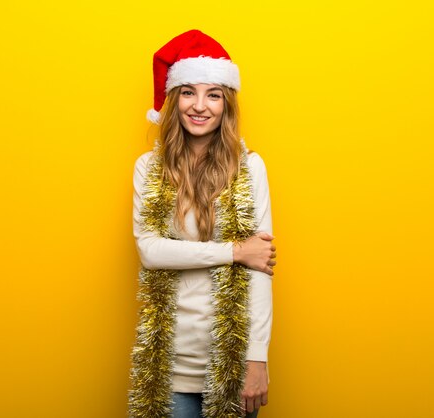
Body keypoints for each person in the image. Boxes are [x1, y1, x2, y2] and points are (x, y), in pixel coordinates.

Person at [128, 30, 276, 418]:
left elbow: (260, 268)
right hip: (168, 363)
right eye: (189, 92)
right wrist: (234, 251)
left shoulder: (250, 168)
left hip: (231, 360)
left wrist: (256, 358)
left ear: (226, 105)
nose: (200, 106)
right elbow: (150, 251)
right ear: (174, 101)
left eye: (213, 95)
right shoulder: (149, 169)